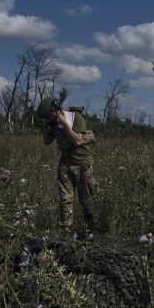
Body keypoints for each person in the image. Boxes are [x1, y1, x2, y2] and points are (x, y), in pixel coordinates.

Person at [38, 98, 98, 239]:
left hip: (82, 164)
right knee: (65, 199)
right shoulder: (53, 123)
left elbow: (77, 141)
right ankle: (67, 232)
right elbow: (47, 142)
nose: (50, 119)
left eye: (49, 116)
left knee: (87, 199)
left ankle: (92, 231)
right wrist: (45, 125)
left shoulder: (75, 118)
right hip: (65, 164)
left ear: (56, 111)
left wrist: (64, 124)